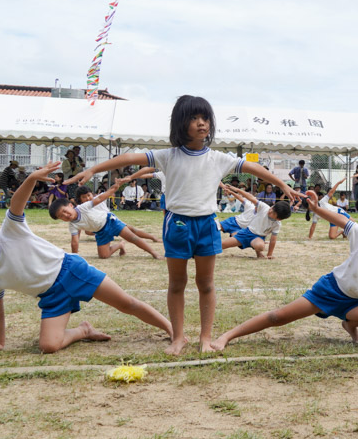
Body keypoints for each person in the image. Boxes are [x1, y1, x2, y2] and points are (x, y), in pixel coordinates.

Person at [65, 94, 298, 355]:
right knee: (177, 284)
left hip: (207, 226)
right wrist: (93, 170)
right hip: (176, 225)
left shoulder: (219, 158)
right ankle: (178, 337)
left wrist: (282, 184)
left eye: (205, 118)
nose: (202, 123)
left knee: (206, 283)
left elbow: (253, 168)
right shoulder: (169, 156)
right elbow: (128, 159)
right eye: (194, 118)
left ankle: (205, 338)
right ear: (180, 123)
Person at [0, 161, 173, 354]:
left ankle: (172, 329)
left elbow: (17, 202)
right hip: (51, 297)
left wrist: (31, 179)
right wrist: (0, 342)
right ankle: (83, 331)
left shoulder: (10, 231)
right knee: (48, 346)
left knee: (126, 304)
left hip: (72, 271)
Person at [211, 192, 358, 350]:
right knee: (278, 317)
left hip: (356, 304)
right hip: (330, 289)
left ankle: (349, 325)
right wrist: (315, 209)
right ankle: (227, 336)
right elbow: (343, 220)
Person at [50, 177, 162, 260]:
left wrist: (114, 188)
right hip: (100, 231)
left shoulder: (83, 207)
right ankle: (120, 245)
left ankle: (154, 252)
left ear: (70, 205)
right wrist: (75, 258)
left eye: (64, 211)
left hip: (110, 221)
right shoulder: (72, 225)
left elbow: (100, 198)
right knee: (103, 256)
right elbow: (75, 242)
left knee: (133, 237)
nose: (65, 215)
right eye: (61, 216)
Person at [219, 183, 292, 258]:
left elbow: (273, 240)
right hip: (246, 233)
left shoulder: (277, 224)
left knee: (260, 246)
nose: (270, 210)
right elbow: (251, 197)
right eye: (272, 207)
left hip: (258, 238)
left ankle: (257, 251)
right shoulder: (264, 207)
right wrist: (236, 190)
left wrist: (269, 254)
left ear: (278, 219)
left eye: (273, 213)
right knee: (222, 245)